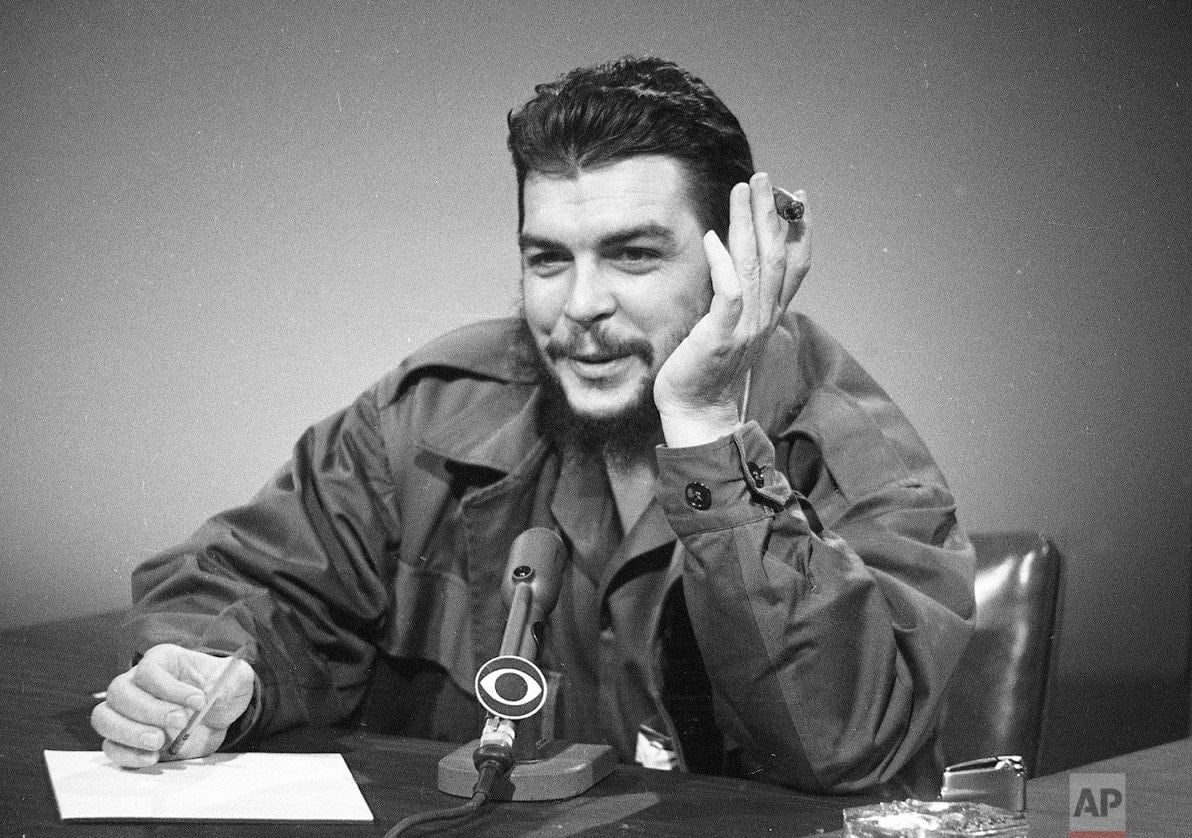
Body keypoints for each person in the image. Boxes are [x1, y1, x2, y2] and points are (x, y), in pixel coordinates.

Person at [91, 56, 975, 794]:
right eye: (548, 259)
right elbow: (244, 584)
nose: (580, 305)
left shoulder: (854, 450)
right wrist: (214, 676)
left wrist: (704, 424)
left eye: (633, 254)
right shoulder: (433, 410)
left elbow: (844, 743)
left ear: (737, 260)